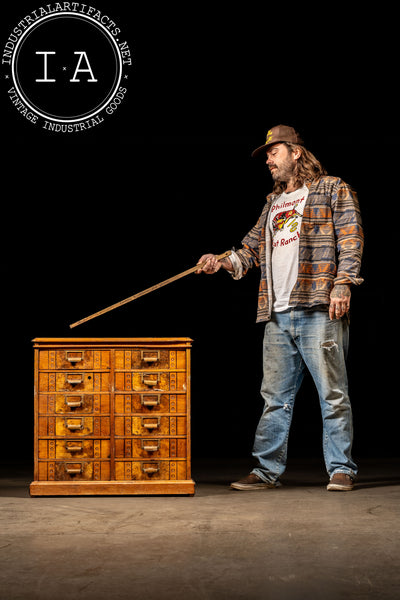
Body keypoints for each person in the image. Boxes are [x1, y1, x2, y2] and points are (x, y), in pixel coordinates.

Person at [197, 124, 364, 492]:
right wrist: (219, 261)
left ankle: (341, 469)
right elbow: (249, 251)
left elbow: (351, 239)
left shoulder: (333, 189)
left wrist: (343, 283)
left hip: (319, 305)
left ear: (296, 152)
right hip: (277, 313)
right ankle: (266, 471)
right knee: (274, 398)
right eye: (267, 154)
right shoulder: (273, 203)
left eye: (274, 151)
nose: (269, 159)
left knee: (332, 394)